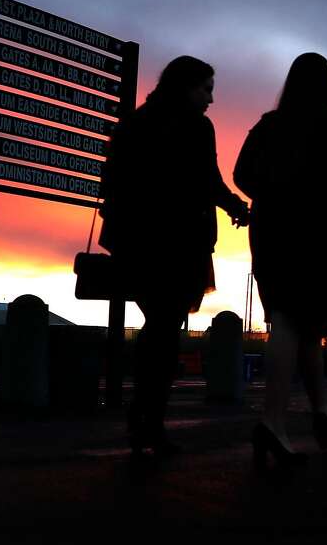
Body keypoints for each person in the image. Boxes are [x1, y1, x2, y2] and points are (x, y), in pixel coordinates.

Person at [233, 52, 327, 469]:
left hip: (273, 233)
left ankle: (319, 413)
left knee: (293, 320)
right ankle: (273, 422)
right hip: (323, 236)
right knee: (303, 322)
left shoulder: (268, 127)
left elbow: (241, 174)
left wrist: (273, 192)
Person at [98, 55, 249, 460]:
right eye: (206, 89)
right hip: (180, 244)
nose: (211, 99)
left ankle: (144, 419)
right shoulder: (198, 127)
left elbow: (112, 183)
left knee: (158, 329)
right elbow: (209, 180)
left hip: (140, 245)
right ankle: (149, 422)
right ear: (187, 87)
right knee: (165, 333)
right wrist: (236, 207)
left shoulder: (136, 123)